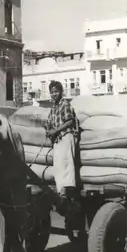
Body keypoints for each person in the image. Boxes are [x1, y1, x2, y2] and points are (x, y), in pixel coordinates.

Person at [44, 80, 83, 236]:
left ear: (61, 92)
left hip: (66, 136)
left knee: (66, 162)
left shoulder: (65, 105)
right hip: (58, 139)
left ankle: (67, 189)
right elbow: (49, 123)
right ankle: (61, 190)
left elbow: (69, 121)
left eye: (56, 91)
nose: (54, 94)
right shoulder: (52, 109)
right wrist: (48, 129)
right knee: (58, 165)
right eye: (52, 92)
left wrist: (55, 131)